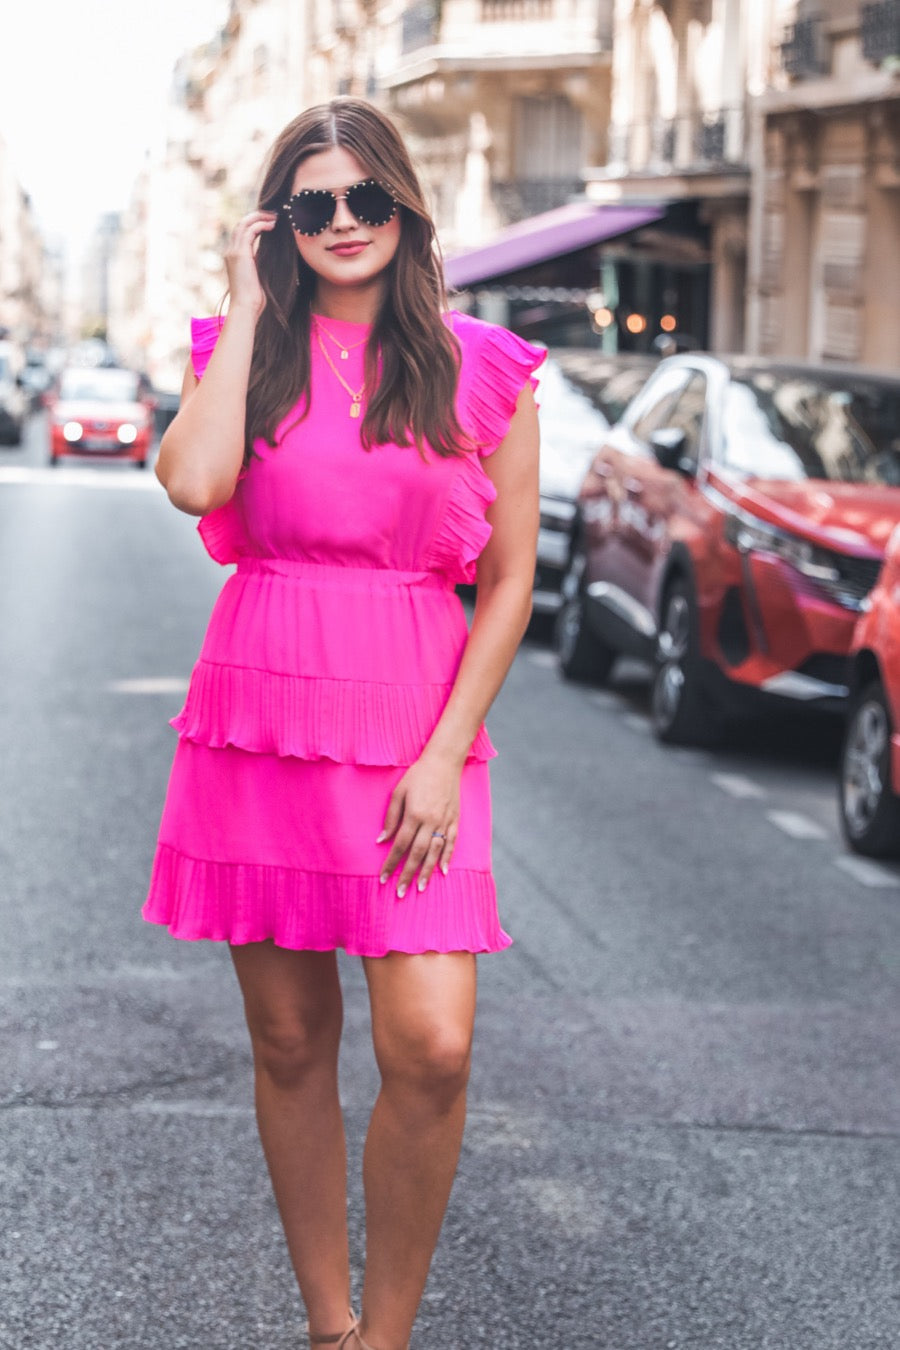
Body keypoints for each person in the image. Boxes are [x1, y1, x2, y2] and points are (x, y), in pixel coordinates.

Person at [143, 97, 543, 1350]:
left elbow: (512, 582)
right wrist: (250, 310)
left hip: (416, 723)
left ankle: (391, 1331)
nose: (343, 222)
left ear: (406, 208)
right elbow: (195, 485)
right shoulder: (241, 349)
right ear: (282, 224)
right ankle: (332, 1328)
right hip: (260, 713)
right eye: (312, 205)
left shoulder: (483, 365)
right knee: (288, 1034)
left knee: (429, 1044)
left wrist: (442, 753)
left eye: (366, 197)